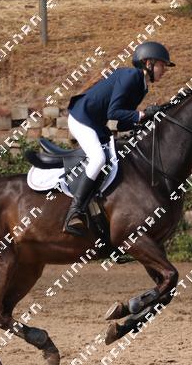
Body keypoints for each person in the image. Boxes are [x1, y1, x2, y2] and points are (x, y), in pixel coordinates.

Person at [63, 41, 175, 236]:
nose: (164, 70)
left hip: (96, 124)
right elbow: (113, 112)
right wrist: (141, 115)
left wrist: (147, 119)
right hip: (82, 119)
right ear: (148, 63)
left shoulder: (141, 86)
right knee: (98, 158)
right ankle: (74, 211)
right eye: (161, 65)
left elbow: (122, 123)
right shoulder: (131, 76)